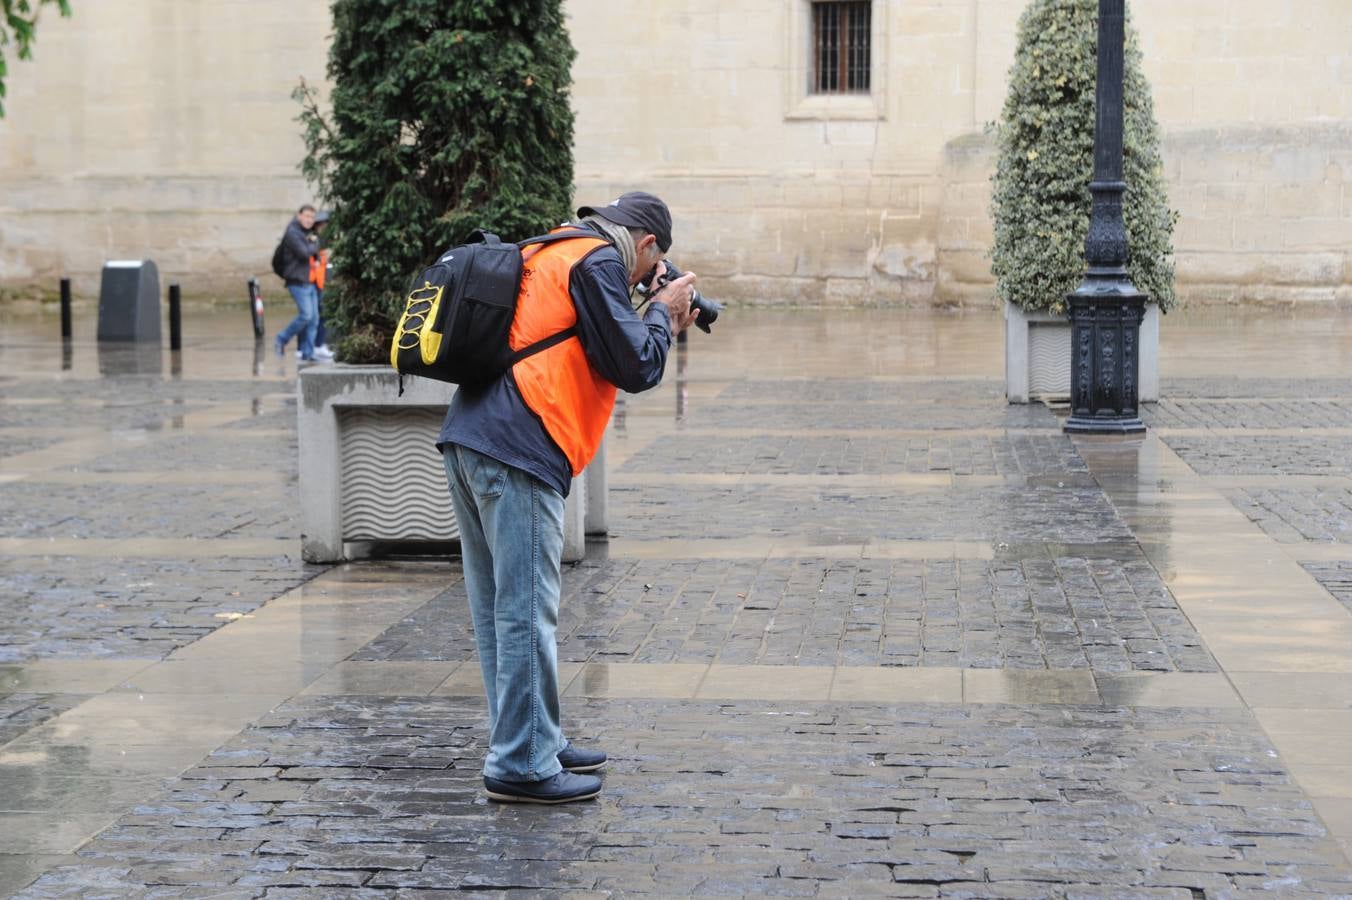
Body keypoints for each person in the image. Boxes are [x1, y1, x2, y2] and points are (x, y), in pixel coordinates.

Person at [439, 192, 698, 804]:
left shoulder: (556, 248)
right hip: (519, 444)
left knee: (499, 613)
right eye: (651, 263)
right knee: (526, 613)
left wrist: (648, 304)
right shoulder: (600, 263)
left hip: (471, 437)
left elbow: (592, 344)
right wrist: (662, 312)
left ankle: (537, 738)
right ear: (647, 245)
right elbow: (636, 364)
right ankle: (522, 763)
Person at [273, 204, 321, 362]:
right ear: (299, 215)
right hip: (297, 281)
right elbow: (304, 253)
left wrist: (313, 243)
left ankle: (308, 352)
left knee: (314, 319)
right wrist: (314, 244)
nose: (309, 220)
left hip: (310, 281)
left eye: (312, 217)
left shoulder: (307, 233)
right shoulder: (293, 232)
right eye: (306, 216)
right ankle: (281, 338)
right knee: (306, 315)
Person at [308, 210, 335, 360]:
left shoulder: (325, 239)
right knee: (312, 315)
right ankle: (313, 346)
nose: (324, 227)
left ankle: (319, 345)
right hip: (315, 281)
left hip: (323, 280)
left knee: (320, 314)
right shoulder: (313, 239)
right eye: (322, 225)